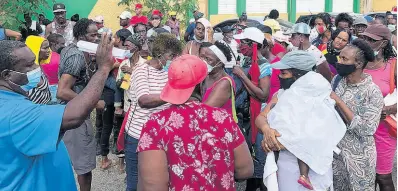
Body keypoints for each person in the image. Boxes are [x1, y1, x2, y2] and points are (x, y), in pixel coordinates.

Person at [0, 33, 114, 190]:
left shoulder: (9, 100)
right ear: (6, 75)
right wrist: (104, 68)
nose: (36, 68)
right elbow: (75, 115)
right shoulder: (15, 114)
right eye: (29, 65)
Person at [137, 54, 253, 191]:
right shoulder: (222, 118)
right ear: (201, 84)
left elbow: (153, 185)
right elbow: (245, 170)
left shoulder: (156, 125)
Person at [256, 51, 346, 191]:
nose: (279, 76)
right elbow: (261, 117)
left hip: (313, 166)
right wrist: (267, 131)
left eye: (284, 73)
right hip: (286, 166)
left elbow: (318, 136)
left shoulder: (321, 99)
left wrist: (279, 142)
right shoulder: (281, 94)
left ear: (300, 75)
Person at [124, 33, 182, 191]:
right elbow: (144, 100)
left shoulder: (168, 74)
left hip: (161, 136)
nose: (175, 59)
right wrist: (174, 95)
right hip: (138, 135)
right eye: (173, 56)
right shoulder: (142, 71)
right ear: (162, 54)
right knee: (135, 181)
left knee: (155, 182)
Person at [329, 39, 384, 190]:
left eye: (344, 59)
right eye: (340, 57)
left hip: (360, 160)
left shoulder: (372, 92)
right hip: (336, 157)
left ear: (359, 64)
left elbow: (367, 129)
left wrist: (339, 102)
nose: (339, 61)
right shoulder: (337, 80)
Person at [57, 18, 100, 191]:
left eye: (97, 34)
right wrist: (93, 103)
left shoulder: (76, 50)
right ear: (81, 35)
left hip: (71, 112)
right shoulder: (76, 55)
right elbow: (63, 91)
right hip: (75, 115)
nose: (96, 38)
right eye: (93, 35)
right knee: (84, 167)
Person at [231, 27, 272, 191]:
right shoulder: (246, 62)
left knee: (259, 162)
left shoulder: (264, 66)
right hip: (245, 118)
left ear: (253, 45)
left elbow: (263, 95)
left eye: (243, 42)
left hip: (257, 119)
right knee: (250, 158)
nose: (240, 45)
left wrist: (241, 75)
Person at [360, 24, 397, 191]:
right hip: (358, 130)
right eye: (364, 38)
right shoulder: (357, 62)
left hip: (383, 130)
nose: (365, 42)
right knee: (363, 177)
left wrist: (389, 109)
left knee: (383, 177)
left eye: (371, 40)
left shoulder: (393, 65)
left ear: (383, 43)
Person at [200, 41, 236, 117]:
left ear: (219, 63)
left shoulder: (225, 83)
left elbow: (205, 110)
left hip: (220, 126)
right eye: (203, 57)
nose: (204, 61)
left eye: (208, 59)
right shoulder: (206, 76)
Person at [25, 35, 61, 103]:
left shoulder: (39, 65)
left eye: (48, 48)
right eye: (45, 48)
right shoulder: (29, 70)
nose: (49, 51)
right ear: (35, 49)